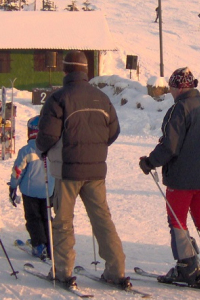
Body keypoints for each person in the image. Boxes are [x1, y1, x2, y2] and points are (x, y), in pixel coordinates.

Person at [36, 51, 129, 290]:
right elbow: (113, 131)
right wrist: (96, 148)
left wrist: (42, 150)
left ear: (66, 70)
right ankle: (116, 269)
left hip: (67, 171)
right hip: (96, 172)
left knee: (63, 221)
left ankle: (63, 270)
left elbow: (46, 136)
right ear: (85, 71)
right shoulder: (102, 98)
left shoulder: (58, 98)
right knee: (102, 220)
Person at [138, 67, 200, 287]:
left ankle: (187, 266)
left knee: (177, 221)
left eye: (172, 87)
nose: (171, 92)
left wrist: (150, 162)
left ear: (179, 87)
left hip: (182, 177)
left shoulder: (179, 109)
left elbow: (169, 146)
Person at [10, 116, 55, 259]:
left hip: (30, 191)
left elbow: (18, 170)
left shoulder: (27, 150)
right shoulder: (53, 149)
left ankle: (39, 244)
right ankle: (50, 244)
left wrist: (13, 186)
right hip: (48, 190)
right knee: (46, 217)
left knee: (33, 217)